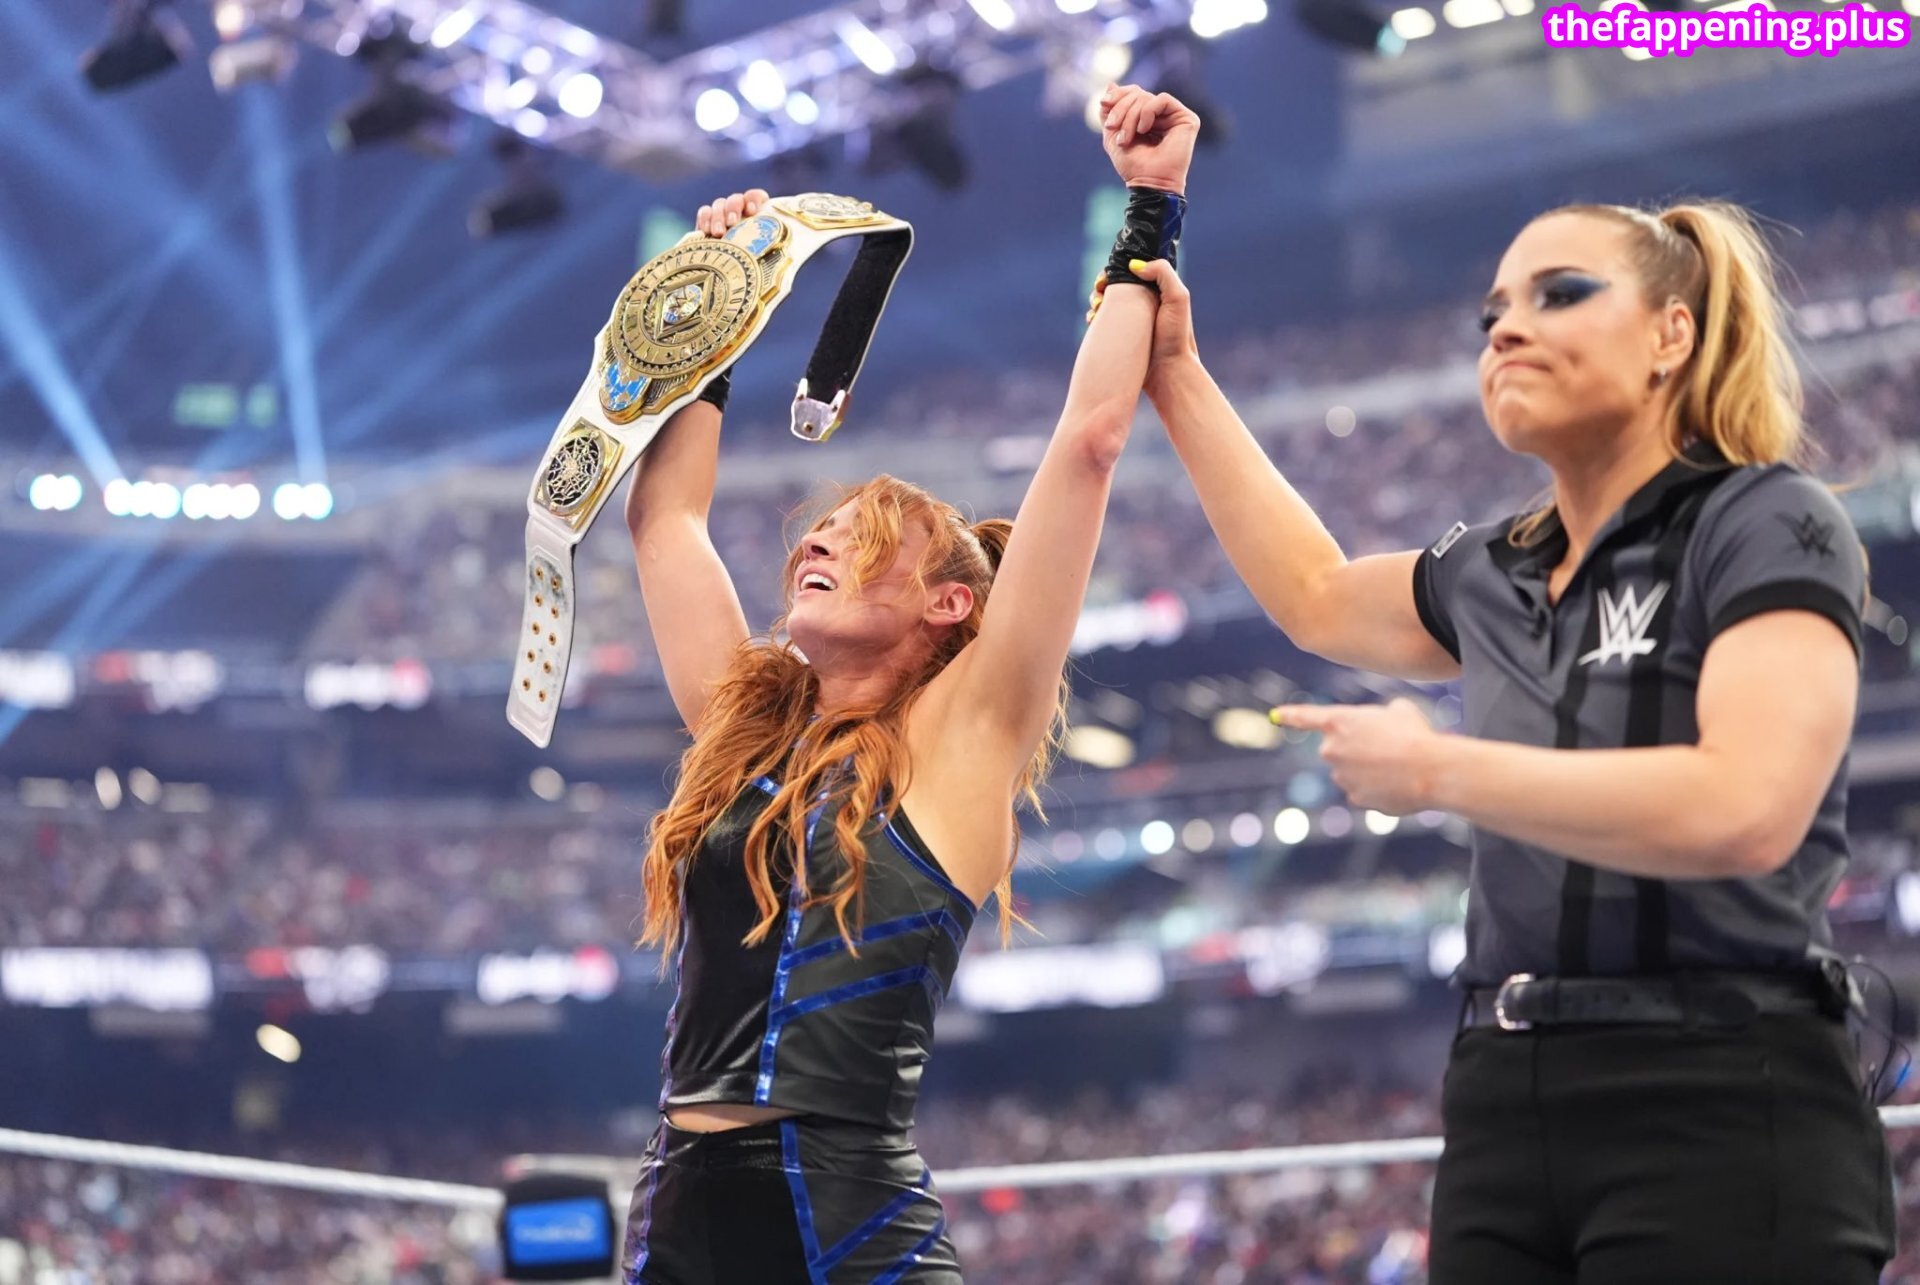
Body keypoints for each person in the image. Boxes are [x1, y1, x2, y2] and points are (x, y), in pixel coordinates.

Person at [1096, 201, 1895, 1281]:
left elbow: (1748, 808)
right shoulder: (1493, 567)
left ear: (1672, 334)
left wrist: (1439, 769)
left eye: (1560, 294)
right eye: (1494, 312)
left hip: (1720, 1081)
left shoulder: (1766, 520)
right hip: (1502, 1093)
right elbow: (1317, 594)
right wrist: (1178, 373)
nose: (1507, 327)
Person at [617, 85, 1198, 1285]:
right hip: (676, 1203)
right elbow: (665, 519)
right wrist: (717, 304)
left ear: (950, 606)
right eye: (818, 530)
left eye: (863, 536)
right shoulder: (749, 731)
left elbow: (1091, 440)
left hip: (845, 1211)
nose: (816, 542)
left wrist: (1151, 206)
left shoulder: (967, 736)